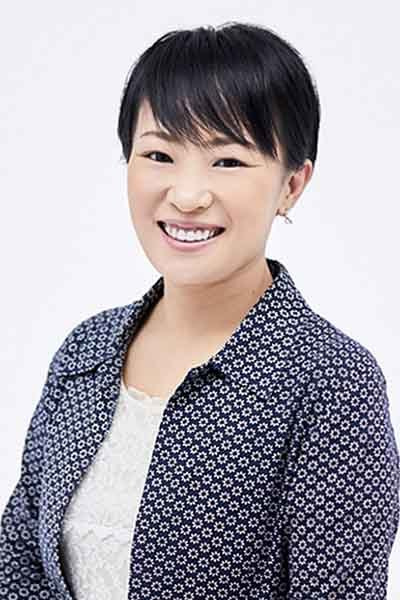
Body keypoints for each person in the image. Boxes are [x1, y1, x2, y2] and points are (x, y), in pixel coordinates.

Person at [1, 20, 399, 600]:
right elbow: (17, 563)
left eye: (228, 161)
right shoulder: (85, 353)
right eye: (159, 154)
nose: (187, 195)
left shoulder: (331, 382)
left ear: (292, 184)